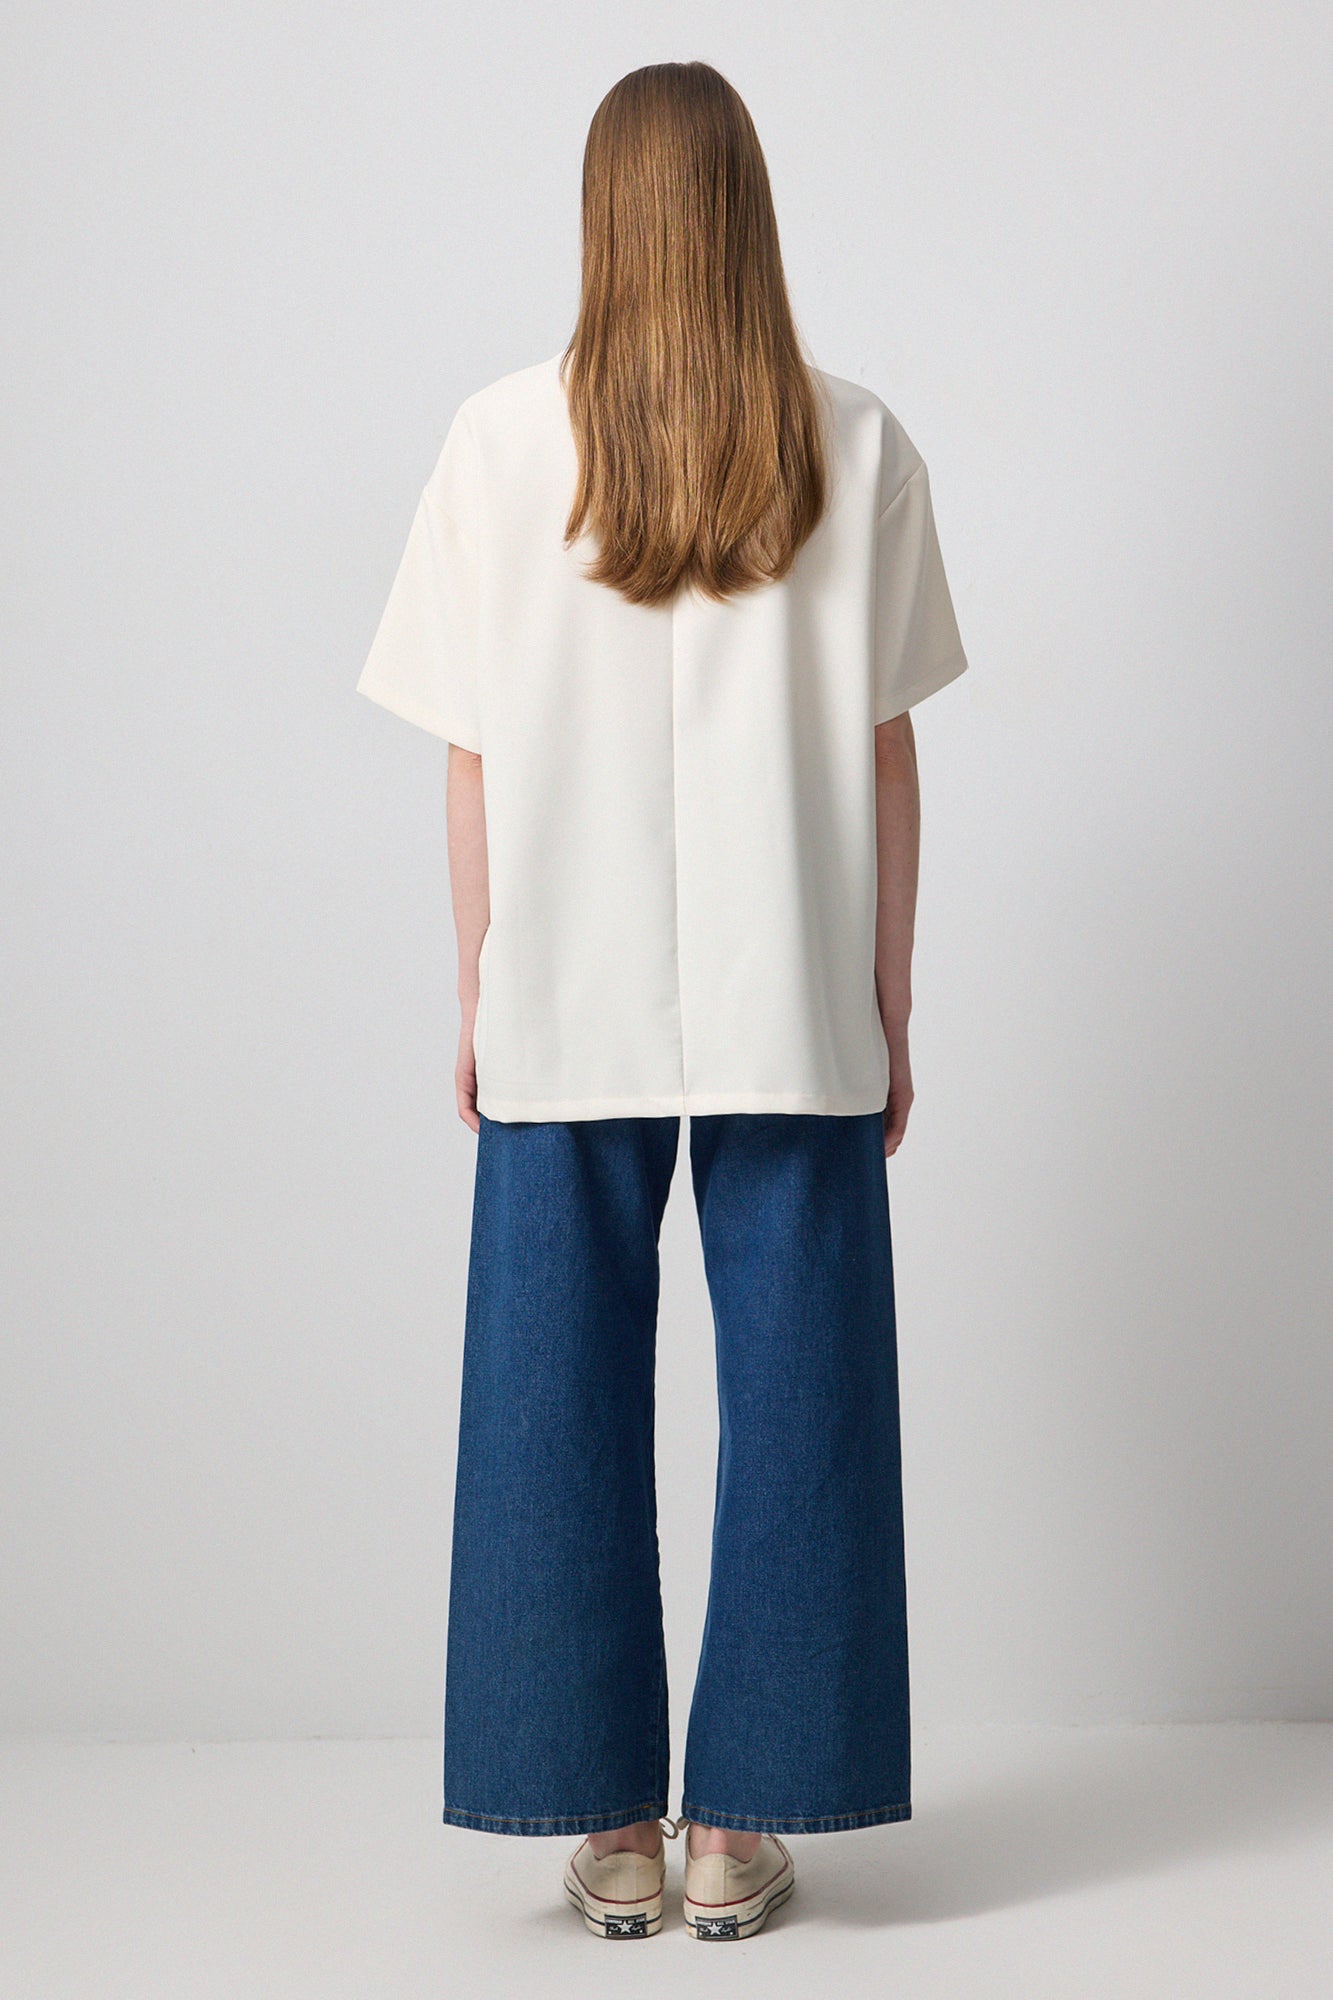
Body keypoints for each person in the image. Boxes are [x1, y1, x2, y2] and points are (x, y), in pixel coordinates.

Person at [356, 60, 969, 1943]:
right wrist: (889, 994)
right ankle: (739, 1832)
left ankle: (607, 1830)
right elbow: (885, 752)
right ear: (747, 211)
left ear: (602, 218)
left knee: (543, 1396)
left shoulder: (494, 442)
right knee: (805, 1402)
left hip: (561, 980)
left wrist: (481, 986)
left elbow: (470, 756)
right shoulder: (850, 440)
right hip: (796, 987)